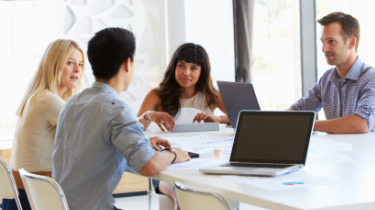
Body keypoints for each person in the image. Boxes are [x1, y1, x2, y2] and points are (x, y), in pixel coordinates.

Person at [52, 27, 191, 210]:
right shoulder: (117, 110)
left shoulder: (73, 102)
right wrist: (173, 154)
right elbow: (149, 166)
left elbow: (95, 147)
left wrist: (144, 142)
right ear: (127, 63)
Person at [2, 39, 85, 210]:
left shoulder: (37, 97)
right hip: (32, 199)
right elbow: (93, 133)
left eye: (81, 64)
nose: (77, 69)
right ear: (53, 65)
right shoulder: (48, 101)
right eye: (70, 63)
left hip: (17, 198)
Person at [289, 12, 375, 134]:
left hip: (364, 153)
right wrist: (275, 121)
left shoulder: (371, 78)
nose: (324, 49)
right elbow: (299, 110)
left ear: (351, 43)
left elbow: (361, 124)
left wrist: (308, 124)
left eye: (331, 41)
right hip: (335, 152)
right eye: (323, 41)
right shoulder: (327, 79)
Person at [137, 43, 229, 132]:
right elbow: (132, 128)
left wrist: (218, 118)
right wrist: (148, 116)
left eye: (193, 68)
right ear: (174, 68)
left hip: (203, 146)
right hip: (168, 147)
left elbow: (240, 117)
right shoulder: (156, 95)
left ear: (202, 72)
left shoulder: (212, 95)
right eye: (181, 66)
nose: (186, 73)